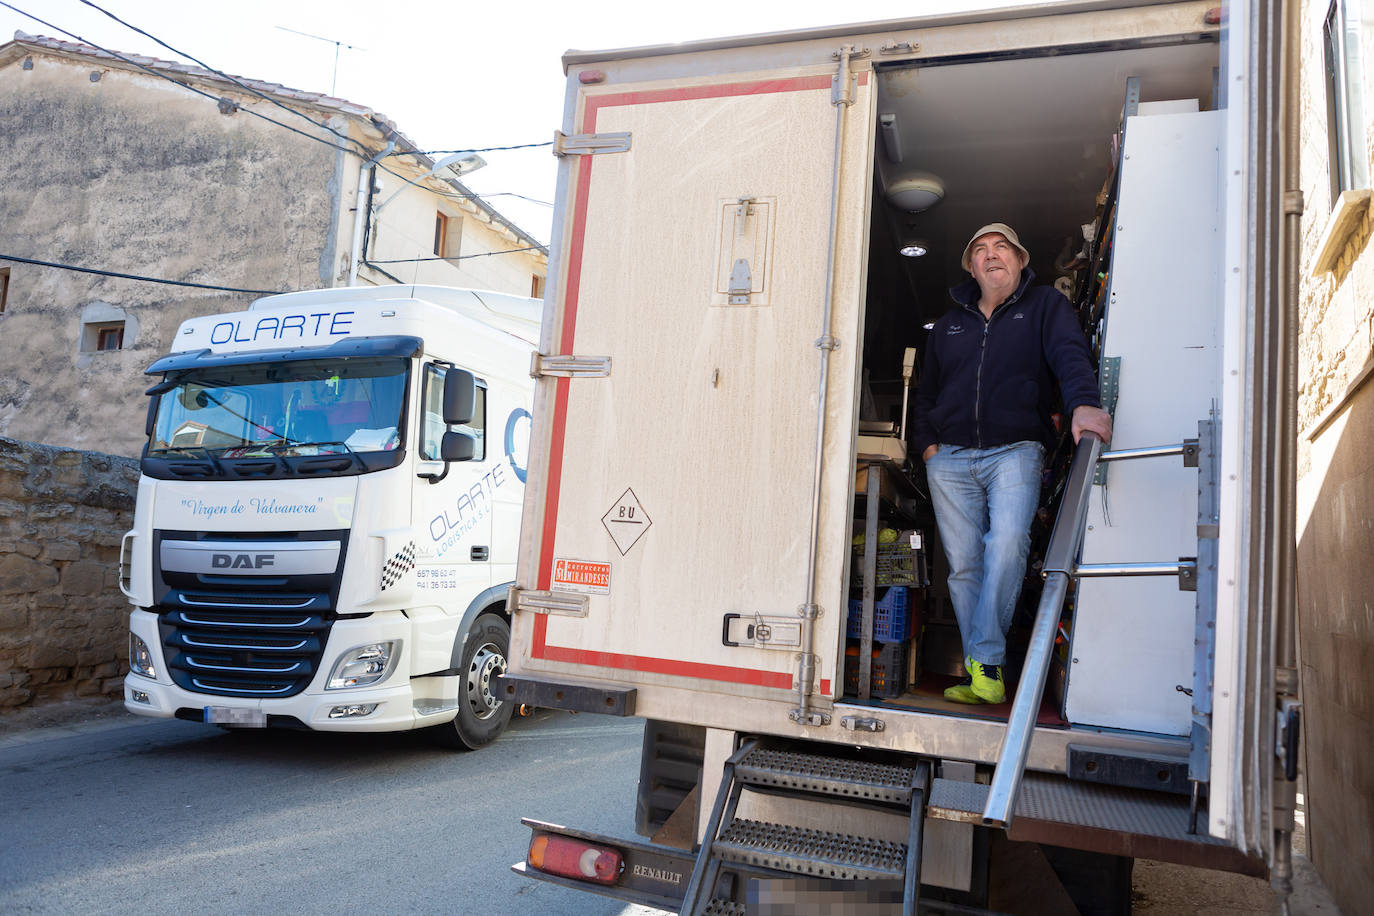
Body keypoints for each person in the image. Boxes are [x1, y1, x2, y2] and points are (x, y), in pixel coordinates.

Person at [913, 223, 1112, 704]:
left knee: (1005, 544)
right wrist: (928, 447)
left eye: (1002, 246)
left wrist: (1084, 402)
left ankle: (985, 659)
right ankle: (986, 674)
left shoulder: (1045, 306)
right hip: (950, 458)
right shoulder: (948, 325)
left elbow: (1069, 354)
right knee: (963, 568)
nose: (991, 254)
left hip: (1016, 450)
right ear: (971, 268)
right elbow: (926, 392)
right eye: (979, 250)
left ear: (1021, 260)